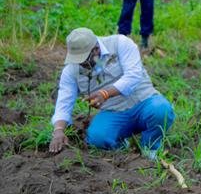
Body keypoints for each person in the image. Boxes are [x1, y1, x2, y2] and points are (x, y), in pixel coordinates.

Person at [48, 28, 175, 159]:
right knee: (97, 138)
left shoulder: (120, 43)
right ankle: (121, 146)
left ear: (96, 49)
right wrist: (58, 130)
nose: (81, 64)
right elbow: (64, 102)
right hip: (114, 112)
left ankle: (150, 147)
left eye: (84, 60)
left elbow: (133, 76)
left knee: (161, 110)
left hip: (144, 102)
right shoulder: (71, 71)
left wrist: (105, 94)